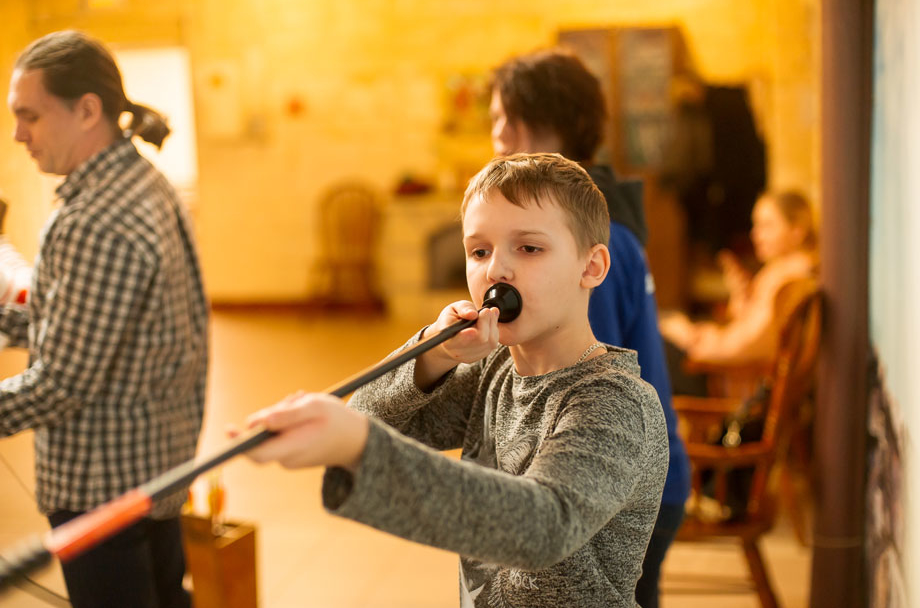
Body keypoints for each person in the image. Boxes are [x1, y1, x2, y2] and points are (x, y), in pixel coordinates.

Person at [240, 153, 668, 607]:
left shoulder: (616, 403)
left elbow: (541, 527)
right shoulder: (493, 370)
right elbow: (371, 415)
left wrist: (357, 443)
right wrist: (435, 352)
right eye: (479, 251)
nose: (495, 271)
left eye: (529, 248)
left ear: (592, 267)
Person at [2, 30, 209, 608]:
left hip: (101, 486)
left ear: (87, 110)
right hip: (154, 469)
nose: (17, 135)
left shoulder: (96, 219)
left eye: (30, 116)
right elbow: (76, 322)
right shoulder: (142, 182)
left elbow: (61, 383)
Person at [489, 49, 690, 607]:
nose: (498, 136)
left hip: (620, 480)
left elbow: (569, 377)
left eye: (504, 119)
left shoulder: (590, 242)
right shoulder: (604, 221)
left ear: (541, 123)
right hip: (638, 468)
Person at [659, 189, 817, 368]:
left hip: (730, 376)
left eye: (767, 226)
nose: (755, 234)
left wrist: (689, 338)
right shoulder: (786, 272)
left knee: (651, 343)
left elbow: (748, 346)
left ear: (797, 230)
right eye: (756, 225)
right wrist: (741, 295)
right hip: (732, 364)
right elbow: (750, 330)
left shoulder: (787, 280)